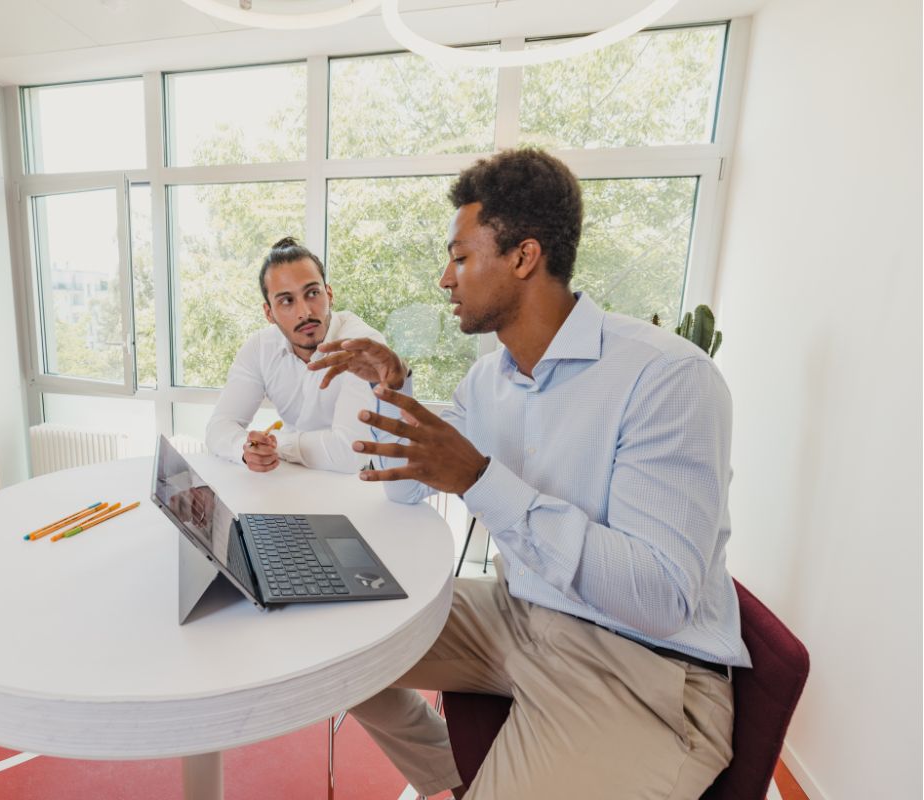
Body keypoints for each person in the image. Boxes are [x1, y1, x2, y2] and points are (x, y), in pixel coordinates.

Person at [307, 149, 750, 799]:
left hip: (644, 669)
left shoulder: (668, 378)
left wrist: (482, 479)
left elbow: (660, 597)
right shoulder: (490, 379)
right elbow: (405, 487)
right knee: (339, 650)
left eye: (460, 257)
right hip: (520, 615)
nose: (444, 279)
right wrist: (390, 391)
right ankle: (458, 780)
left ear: (523, 257)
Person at [205, 237, 384, 474]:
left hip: (361, 484)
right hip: (293, 478)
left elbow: (349, 453)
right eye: (287, 301)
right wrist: (246, 449)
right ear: (269, 313)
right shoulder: (260, 348)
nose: (304, 312)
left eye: (312, 293)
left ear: (329, 295)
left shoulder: (362, 345)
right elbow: (218, 427)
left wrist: (275, 442)